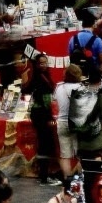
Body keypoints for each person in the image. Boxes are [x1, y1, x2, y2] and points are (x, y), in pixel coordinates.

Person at [27, 54, 60, 185]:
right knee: (45, 144)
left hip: (40, 113)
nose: (44, 65)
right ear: (36, 64)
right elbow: (45, 101)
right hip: (42, 114)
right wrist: (51, 116)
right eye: (41, 63)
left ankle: (44, 175)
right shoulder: (39, 79)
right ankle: (44, 176)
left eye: (46, 62)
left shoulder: (42, 77)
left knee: (44, 144)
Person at [54, 64, 84, 179]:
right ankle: (79, 178)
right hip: (77, 123)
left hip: (62, 122)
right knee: (81, 154)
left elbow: (55, 102)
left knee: (65, 155)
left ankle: (67, 179)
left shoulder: (59, 87)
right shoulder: (81, 88)